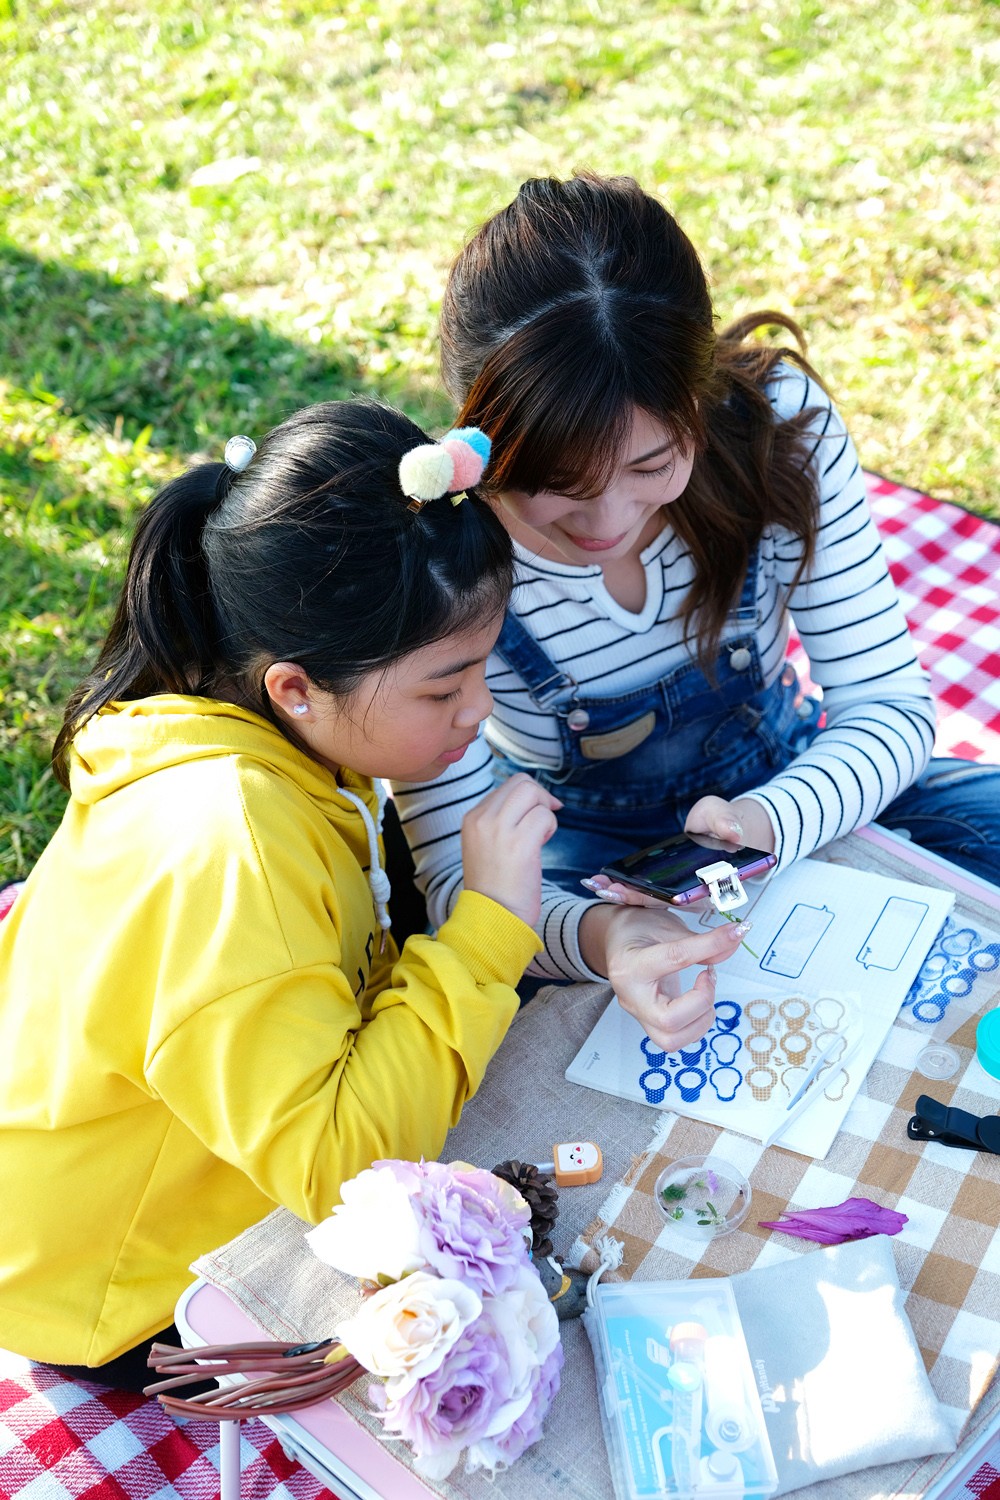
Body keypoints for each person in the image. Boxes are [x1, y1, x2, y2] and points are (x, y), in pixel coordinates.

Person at [0, 401, 559, 1384]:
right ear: (295, 688)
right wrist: (491, 929)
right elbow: (346, 1171)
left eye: (483, 667)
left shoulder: (238, 730)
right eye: (443, 688)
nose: (479, 713)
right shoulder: (235, 848)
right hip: (117, 1298)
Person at [393, 171, 1000, 1051]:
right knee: (513, 1050)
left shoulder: (778, 432)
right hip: (577, 863)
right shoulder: (437, 552)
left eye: (650, 467)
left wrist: (762, 826)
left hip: (799, 786)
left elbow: (891, 714)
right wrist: (606, 938)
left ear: (698, 401)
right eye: (555, 489)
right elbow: (457, 873)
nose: (609, 523)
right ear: (475, 438)